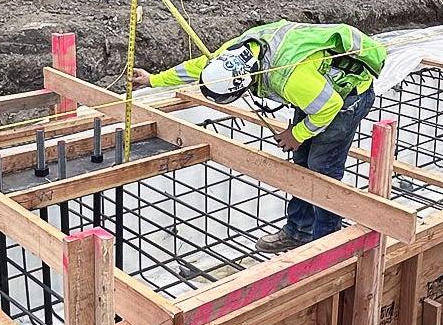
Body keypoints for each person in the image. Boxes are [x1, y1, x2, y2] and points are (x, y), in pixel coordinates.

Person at [134, 21, 388, 250]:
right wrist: (153, 80)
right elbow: (197, 68)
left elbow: (328, 106)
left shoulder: (289, 78)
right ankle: (298, 231)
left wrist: (297, 134)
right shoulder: (232, 57)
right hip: (317, 89)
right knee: (302, 164)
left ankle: (327, 245)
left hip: (346, 97)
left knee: (322, 169)